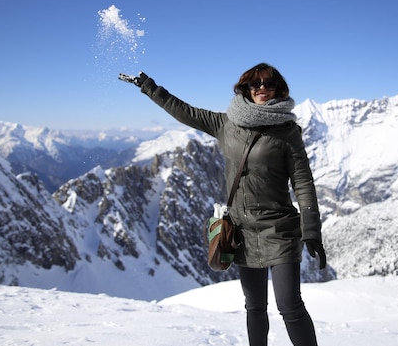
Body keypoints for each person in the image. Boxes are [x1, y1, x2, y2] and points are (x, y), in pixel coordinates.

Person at [129, 63, 326, 346]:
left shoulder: (287, 132)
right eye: (255, 84)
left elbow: (303, 183)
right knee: (255, 307)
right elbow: (185, 111)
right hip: (241, 231)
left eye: (268, 84)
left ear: (279, 90)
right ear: (245, 88)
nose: (261, 89)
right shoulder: (226, 124)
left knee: (290, 306)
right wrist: (149, 87)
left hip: (279, 229)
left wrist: (311, 230)